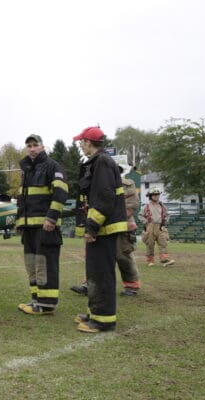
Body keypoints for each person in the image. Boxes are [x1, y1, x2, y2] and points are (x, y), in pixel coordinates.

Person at [73, 126, 128, 333]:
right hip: (103, 228)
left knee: (102, 273)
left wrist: (92, 227)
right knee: (94, 273)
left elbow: (104, 197)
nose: (80, 145)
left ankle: (103, 320)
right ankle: (95, 313)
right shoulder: (99, 161)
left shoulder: (102, 162)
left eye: (81, 142)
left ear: (88, 142)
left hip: (104, 228)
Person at [16, 134, 68, 315]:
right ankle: (36, 300)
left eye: (35, 145)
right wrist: (20, 222)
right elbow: (23, 199)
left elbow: (61, 193)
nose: (32, 148)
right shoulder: (26, 170)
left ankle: (46, 304)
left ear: (43, 147)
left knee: (45, 265)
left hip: (46, 227)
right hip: (28, 228)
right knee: (32, 264)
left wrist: (51, 218)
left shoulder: (53, 166)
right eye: (29, 145)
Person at [70, 165, 142, 296]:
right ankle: (90, 285)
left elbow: (131, 206)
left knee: (123, 256)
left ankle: (131, 286)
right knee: (94, 257)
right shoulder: (93, 184)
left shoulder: (127, 184)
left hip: (121, 227)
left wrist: (104, 218)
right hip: (98, 227)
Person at [138, 187, 175, 266]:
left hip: (160, 226)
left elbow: (167, 215)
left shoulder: (162, 206)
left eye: (157, 194)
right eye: (154, 194)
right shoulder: (146, 206)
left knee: (163, 242)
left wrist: (165, 222)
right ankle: (150, 261)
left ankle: (164, 259)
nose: (156, 196)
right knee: (150, 244)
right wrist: (146, 222)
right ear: (150, 196)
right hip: (150, 226)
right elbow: (140, 215)